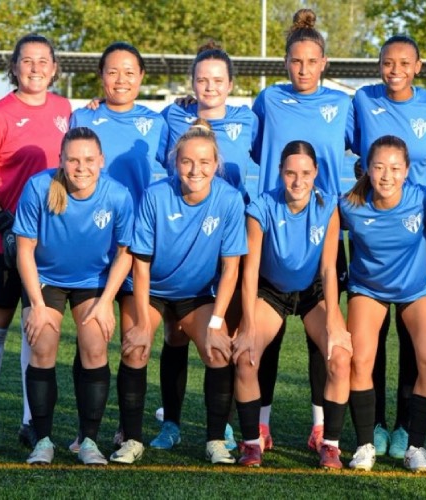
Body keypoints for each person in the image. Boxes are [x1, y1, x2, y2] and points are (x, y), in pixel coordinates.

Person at [110, 119, 247, 465]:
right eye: (186, 161)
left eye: (204, 162)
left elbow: (231, 268)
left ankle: (216, 440)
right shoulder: (156, 195)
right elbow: (140, 265)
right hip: (151, 289)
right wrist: (142, 321)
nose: (194, 169)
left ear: (216, 164)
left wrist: (216, 322)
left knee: (218, 351)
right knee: (135, 347)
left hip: (195, 294)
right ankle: (132, 439)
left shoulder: (229, 200)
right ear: (175, 162)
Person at [251, 7, 353, 452]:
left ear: (324, 63)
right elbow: (246, 143)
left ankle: (319, 427)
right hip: (274, 228)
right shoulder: (268, 100)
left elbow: (370, 150)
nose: (304, 69)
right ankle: (262, 424)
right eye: (296, 61)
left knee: (324, 336)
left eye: (312, 62)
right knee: (264, 337)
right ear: (285, 62)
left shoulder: (342, 105)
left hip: (322, 231)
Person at [152, 40, 258, 452]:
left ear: (231, 84)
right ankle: (171, 422)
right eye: (201, 79)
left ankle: (223, 423)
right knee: (175, 336)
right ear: (192, 82)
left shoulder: (249, 119)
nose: (209, 86)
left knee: (224, 333)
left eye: (217, 80)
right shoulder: (173, 115)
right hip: (184, 238)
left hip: (229, 238)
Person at [0, 33, 71, 453]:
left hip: (48, 243)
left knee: (38, 328)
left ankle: (31, 422)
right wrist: (5, 221)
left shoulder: (66, 110)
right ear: (14, 67)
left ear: (54, 68)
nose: (35, 67)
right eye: (26, 60)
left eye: (43, 60)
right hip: (1, 240)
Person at [347, 34, 426, 459]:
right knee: (371, 343)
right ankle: (373, 428)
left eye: (404, 63)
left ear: (418, 66)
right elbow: (347, 147)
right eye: (388, 63)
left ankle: (407, 428)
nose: (395, 70)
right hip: (375, 228)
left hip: (414, 230)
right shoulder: (362, 100)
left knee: (417, 345)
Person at [13, 127, 134, 465]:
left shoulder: (118, 195)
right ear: (61, 160)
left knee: (95, 347)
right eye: (74, 159)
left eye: (89, 160)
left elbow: (125, 253)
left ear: (101, 161)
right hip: (46, 280)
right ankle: (43, 440)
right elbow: (25, 249)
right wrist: (36, 304)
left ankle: (89, 442)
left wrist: (107, 301)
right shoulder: (39, 187)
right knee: (42, 344)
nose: (82, 167)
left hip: (93, 281)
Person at [68, 41, 168, 453]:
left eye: (130, 72)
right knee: (91, 339)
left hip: (137, 245)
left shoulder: (159, 122)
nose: (121, 79)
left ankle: (128, 431)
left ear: (142, 77)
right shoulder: (83, 117)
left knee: (133, 340)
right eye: (112, 71)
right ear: (101, 76)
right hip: (93, 246)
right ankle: (85, 428)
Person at [232, 140, 351, 468]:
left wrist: (334, 322)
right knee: (245, 356)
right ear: (280, 173)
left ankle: (329, 443)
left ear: (316, 174)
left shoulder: (328, 206)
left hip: (313, 292)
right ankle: (253, 442)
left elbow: (329, 268)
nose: (298, 181)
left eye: (305, 173)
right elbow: (251, 271)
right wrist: (248, 326)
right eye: (290, 173)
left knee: (339, 357)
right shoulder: (261, 207)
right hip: (271, 292)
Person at [339, 135, 426, 472]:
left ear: (407, 170)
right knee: (360, 362)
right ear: (367, 168)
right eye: (379, 167)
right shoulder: (350, 205)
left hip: (415, 288)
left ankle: (416, 447)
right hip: (368, 289)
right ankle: (365, 444)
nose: (387, 175)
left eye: (395, 168)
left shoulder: (423, 199)